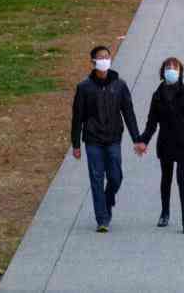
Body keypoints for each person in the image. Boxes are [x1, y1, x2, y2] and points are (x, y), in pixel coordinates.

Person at [136, 57, 184, 233]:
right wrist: (143, 141)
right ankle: (165, 213)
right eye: (168, 67)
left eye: (175, 67)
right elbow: (151, 123)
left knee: (182, 179)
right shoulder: (157, 96)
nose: (171, 70)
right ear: (163, 71)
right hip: (165, 143)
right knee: (166, 178)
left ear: (180, 72)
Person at [71, 45, 140, 233]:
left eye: (107, 57)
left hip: (113, 138)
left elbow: (128, 113)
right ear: (93, 62)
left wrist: (137, 139)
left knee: (116, 176)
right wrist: (76, 144)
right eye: (100, 57)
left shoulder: (120, 85)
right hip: (93, 139)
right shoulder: (84, 87)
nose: (104, 60)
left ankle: (108, 199)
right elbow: (77, 117)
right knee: (96, 178)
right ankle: (102, 218)